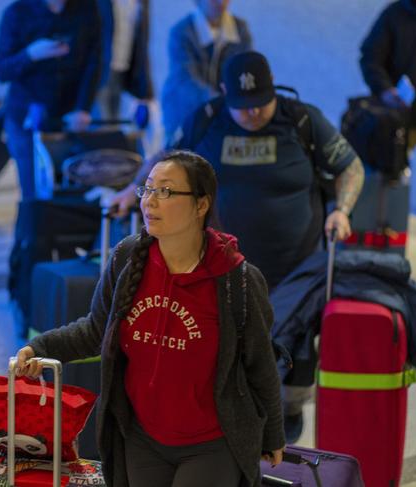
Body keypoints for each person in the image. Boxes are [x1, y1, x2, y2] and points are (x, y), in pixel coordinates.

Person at [113, 51, 365, 443]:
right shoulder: (208, 118)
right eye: (243, 107)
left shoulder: (301, 119)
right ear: (225, 92)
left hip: (296, 266)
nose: (252, 115)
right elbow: (165, 158)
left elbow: (350, 166)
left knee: (291, 354)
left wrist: (342, 210)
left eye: (261, 104)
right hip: (221, 266)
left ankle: (287, 418)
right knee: (221, 349)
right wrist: (133, 191)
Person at [16, 150, 285, 487]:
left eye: (167, 191)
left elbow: (260, 363)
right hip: (141, 437)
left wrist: (273, 433)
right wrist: (38, 347)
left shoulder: (236, 280)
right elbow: (96, 329)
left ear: (201, 205)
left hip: (212, 443)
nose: (150, 202)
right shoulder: (128, 259)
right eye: (147, 189)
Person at [360, 0, 416, 290]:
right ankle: (379, 265)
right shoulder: (396, 14)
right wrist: (385, 91)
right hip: (399, 121)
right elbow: (369, 57)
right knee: (387, 192)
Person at [0, 0, 102, 201]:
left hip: (68, 116)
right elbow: (2, 70)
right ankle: (30, 231)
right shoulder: (17, 12)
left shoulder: (87, 8)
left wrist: (83, 108)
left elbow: (93, 62)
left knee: (71, 191)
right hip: (26, 116)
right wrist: (31, 54)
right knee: (33, 193)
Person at [161, 0, 252, 143]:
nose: (221, 2)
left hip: (223, 113)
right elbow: (188, 80)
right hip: (184, 112)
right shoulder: (181, 31)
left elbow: (245, 72)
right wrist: (227, 104)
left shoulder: (240, 29)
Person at [96, 0, 153, 121]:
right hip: (100, 73)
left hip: (125, 73)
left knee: (119, 129)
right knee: (101, 128)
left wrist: (145, 88)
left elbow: (141, 44)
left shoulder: (140, 3)